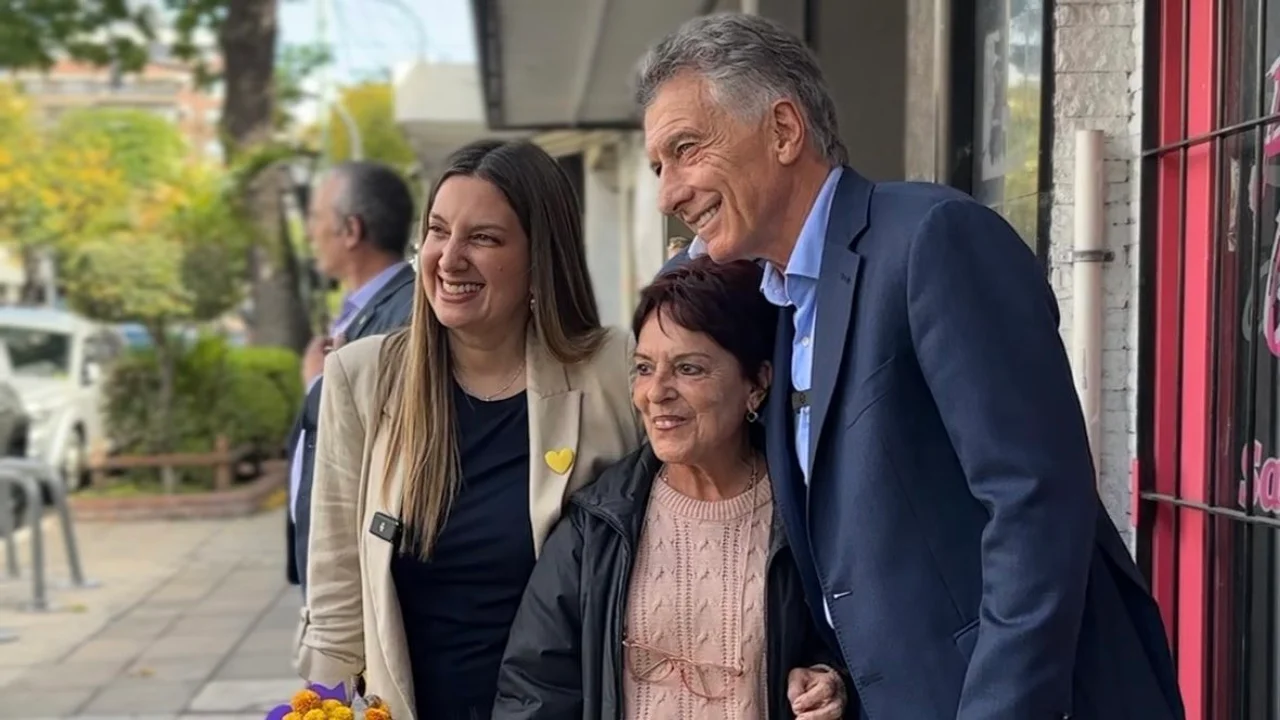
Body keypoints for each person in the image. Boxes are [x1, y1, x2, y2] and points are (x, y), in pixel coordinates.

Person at [638, 13, 1184, 720]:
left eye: (685, 150)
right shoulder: (780, 305)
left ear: (783, 130)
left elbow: (1037, 505)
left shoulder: (932, 240)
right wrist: (834, 670)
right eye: (659, 167)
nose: (669, 194)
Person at [296, 139, 643, 720]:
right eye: (437, 231)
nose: (449, 258)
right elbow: (336, 600)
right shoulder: (361, 378)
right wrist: (323, 706)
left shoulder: (613, 369)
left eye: (483, 237)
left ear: (540, 256)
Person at [493, 257, 846, 720]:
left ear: (757, 383)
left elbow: (860, 643)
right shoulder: (597, 526)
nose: (656, 392)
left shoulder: (806, 514)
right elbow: (534, 691)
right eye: (644, 368)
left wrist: (829, 679)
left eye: (688, 369)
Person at [286, 161, 417, 589]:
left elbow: (380, 438)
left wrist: (318, 385)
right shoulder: (366, 309)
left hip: (365, 574)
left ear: (351, 230)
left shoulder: (406, 314)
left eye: (315, 218)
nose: (310, 233)